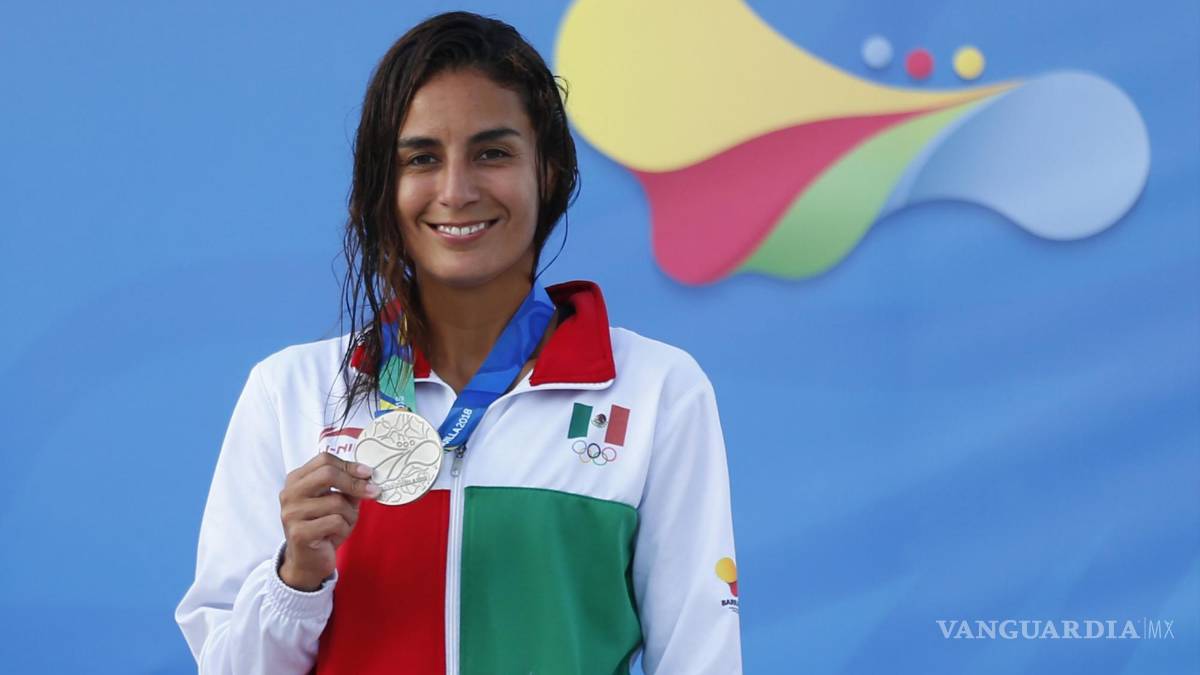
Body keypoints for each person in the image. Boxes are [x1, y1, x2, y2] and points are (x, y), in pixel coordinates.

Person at [175, 11, 741, 674]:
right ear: (382, 186)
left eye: (491, 153)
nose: (456, 191)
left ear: (548, 171)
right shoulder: (290, 392)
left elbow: (701, 656)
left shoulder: (656, 390)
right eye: (422, 158)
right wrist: (295, 577)